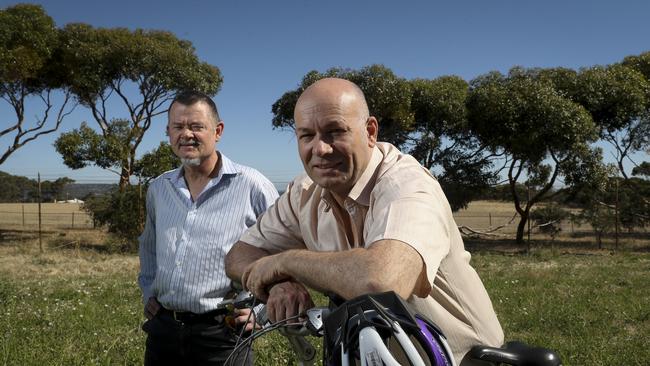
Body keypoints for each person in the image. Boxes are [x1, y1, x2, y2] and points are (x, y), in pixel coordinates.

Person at [225, 78, 504, 365]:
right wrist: (278, 284)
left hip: (461, 359)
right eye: (306, 135)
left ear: (370, 131)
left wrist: (284, 263)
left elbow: (382, 281)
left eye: (335, 132)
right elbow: (238, 255)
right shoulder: (303, 192)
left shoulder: (406, 184)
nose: (320, 149)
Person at [138, 91, 279, 365]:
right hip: (164, 330)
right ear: (168, 132)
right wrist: (148, 292)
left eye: (196, 126)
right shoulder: (159, 189)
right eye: (178, 127)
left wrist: (261, 309)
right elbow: (149, 247)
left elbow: (282, 252)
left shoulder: (252, 185)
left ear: (218, 131)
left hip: (223, 333)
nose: (186, 134)